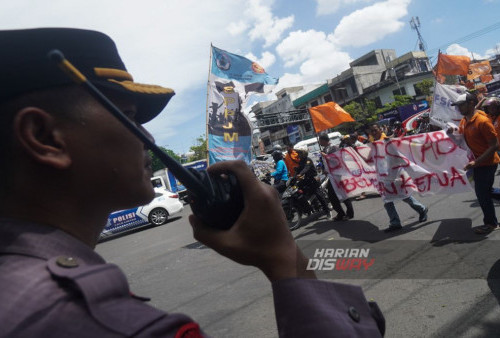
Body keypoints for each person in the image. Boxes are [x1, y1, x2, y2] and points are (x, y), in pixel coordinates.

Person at [0, 28, 384, 337]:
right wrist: (283, 259)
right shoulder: (90, 319)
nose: (148, 139)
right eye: (130, 116)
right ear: (44, 136)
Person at [449, 92, 500, 234]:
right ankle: (491, 222)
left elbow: (494, 146)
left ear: (471, 103)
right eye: (457, 106)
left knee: (482, 193)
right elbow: (460, 137)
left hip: (487, 163)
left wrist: (476, 162)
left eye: (461, 105)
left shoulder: (482, 121)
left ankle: (491, 224)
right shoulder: (464, 120)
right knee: (485, 192)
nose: (459, 108)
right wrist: (451, 131)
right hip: (476, 163)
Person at [368, 123, 429, 232]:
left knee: (405, 196)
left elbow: (400, 154)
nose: (373, 133)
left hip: (395, 175)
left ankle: (422, 209)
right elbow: (369, 160)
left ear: (380, 129)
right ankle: (395, 222)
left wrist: (389, 142)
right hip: (383, 178)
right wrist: (356, 151)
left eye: (375, 130)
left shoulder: (388, 140)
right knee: (387, 200)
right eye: (371, 131)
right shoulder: (373, 145)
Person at [319, 133, 354, 221]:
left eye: (320, 140)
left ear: (324, 140)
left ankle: (350, 213)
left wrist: (326, 156)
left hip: (338, 175)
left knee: (343, 194)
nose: (319, 142)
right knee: (332, 196)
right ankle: (340, 213)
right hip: (331, 176)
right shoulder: (325, 149)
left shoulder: (334, 147)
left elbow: (337, 160)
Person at [294, 145, 332, 219]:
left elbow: (306, 168)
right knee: (298, 190)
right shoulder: (301, 161)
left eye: (299, 153)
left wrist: (300, 174)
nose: (298, 154)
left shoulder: (308, 160)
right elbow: (299, 169)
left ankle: (327, 211)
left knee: (318, 195)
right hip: (306, 180)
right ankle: (309, 207)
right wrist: (293, 176)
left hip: (313, 180)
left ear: (303, 153)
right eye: (298, 153)